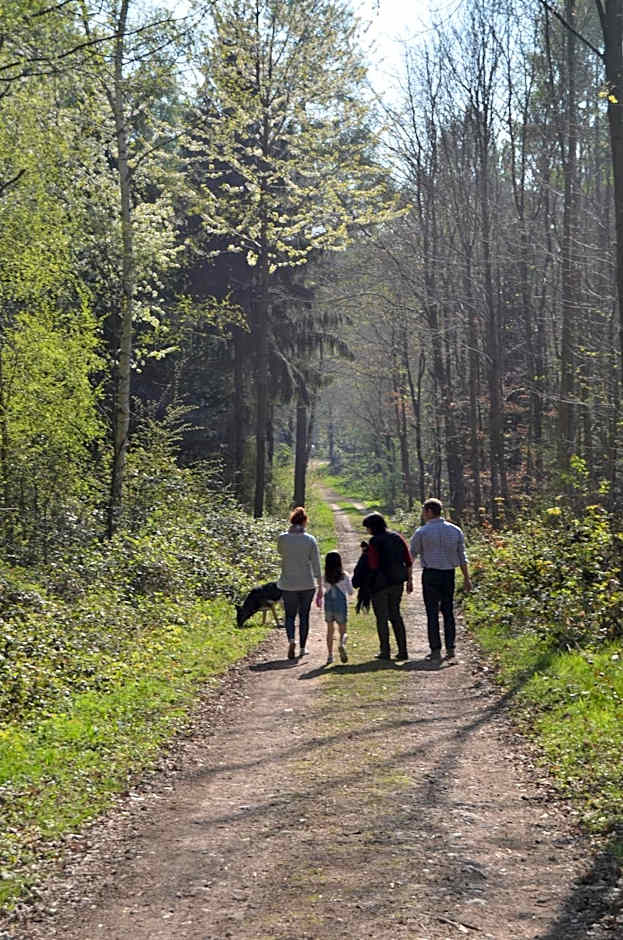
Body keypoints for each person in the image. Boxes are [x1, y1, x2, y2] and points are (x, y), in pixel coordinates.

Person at [409, 498, 472, 663]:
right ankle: (450, 648)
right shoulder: (455, 530)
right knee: (448, 611)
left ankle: (435, 649)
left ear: (429, 511)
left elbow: (411, 557)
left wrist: (408, 578)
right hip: (448, 574)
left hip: (430, 575)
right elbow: (462, 557)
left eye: (424, 511)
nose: (423, 514)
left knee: (432, 613)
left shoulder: (421, 532)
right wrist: (466, 578)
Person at [363, 512, 413, 661]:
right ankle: (403, 650)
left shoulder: (374, 542)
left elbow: (373, 564)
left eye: (368, 528)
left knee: (382, 618)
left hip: (380, 585)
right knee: (396, 615)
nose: (367, 531)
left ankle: (385, 651)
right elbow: (408, 560)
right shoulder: (397, 537)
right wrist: (410, 580)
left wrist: (365, 554)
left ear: (373, 527)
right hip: (397, 582)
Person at [277, 506, 322, 659]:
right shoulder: (310, 539)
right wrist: (320, 585)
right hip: (307, 583)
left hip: (288, 583)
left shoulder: (282, 538)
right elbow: (316, 564)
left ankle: (291, 639)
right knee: (304, 616)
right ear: (304, 522)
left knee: (289, 616)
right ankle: (303, 648)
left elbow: (280, 552)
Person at [323, 550, 353, 665]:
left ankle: (330, 656)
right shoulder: (344, 575)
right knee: (343, 631)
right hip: (340, 605)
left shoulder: (325, 576)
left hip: (329, 605)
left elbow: (324, 588)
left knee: (330, 631)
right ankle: (342, 644)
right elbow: (350, 592)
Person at [352, 540, 371, 613]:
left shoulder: (364, 555)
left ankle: (360, 608)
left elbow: (358, 569)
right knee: (366, 595)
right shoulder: (370, 554)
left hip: (364, 579)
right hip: (369, 579)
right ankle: (364, 608)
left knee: (362, 595)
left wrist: (356, 581)